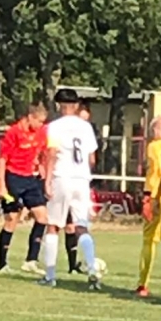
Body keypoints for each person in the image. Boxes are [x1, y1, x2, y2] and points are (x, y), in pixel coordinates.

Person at [40, 88, 102, 290]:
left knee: (53, 225)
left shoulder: (55, 126)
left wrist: (48, 180)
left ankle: (50, 275)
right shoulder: (86, 127)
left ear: (59, 106)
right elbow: (92, 159)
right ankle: (92, 269)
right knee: (81, 226)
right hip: (81, 179)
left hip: (62, 177)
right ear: (76, 106)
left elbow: (52, 153)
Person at [0, 102, 48, 274]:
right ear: (30, 117)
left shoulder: (41, 132)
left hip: (30, 178)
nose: (41, 125)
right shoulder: (14, 132)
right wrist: (2, 185)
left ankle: (31, 260)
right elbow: (2, 159)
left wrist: (40, 164)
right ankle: (2, 264)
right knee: (12, 218)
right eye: (39, 121)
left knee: (42, 216)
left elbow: (42, 151)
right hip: (13, 177)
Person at [136, 116, 161, 297]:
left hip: (158, 195)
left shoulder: (154, 147)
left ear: (156, 130)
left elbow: (154, 173)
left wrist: (148, 197)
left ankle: (143, 283)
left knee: (149, 240)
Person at [64, 102, 99, 274]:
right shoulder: (72, 130)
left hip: (75, 181)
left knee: (74, 225)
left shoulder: (61, 128)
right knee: (61, 225)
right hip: (70, 180)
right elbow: (92, 159)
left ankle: (72, 266)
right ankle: (36, 262)